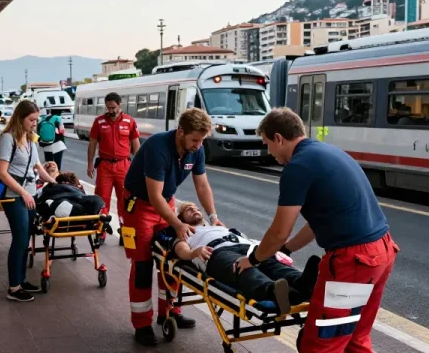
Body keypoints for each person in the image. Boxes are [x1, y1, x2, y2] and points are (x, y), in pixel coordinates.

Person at [233, 107, 400, 353]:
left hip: (353, 262)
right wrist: (286, 249)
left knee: (321, 345)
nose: (269, 152)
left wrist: (253, 259)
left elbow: (279, 231)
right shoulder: (329, 152)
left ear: (279, 138)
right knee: (355, 339)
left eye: (267, 144)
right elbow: (317, 222)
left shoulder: (297, 167)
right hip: (381, 253)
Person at [121, 107, 223, 347]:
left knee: (172, 259)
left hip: (165, 203)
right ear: (180, 132)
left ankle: (169, 311)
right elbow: (153, 195)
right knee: (143, 264)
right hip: (139, 206)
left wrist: (213, 216)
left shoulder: (196, 150)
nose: (199, 145)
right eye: (195, 140)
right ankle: (142, 324)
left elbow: (202, 185)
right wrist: (177, 223)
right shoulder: (158, 147)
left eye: (202, 140)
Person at [161, 202, 318, 315]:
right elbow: (180, 250)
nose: (194, 210)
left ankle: (301, 282)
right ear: (181, 219)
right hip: (216, 252)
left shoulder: (218, 226)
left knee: (271, 263)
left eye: (196, 208)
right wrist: (194, 253)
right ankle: (273, 291)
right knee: (241, 268)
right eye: (188, 210)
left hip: (245, 246)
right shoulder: (182, 232)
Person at [0, 100, 57, 303]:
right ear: (20, 118)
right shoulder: (7, 139)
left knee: (26, 239)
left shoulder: (29, 139)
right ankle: (14, 287)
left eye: (36, 120)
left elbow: (37, 167)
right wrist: (23, 193)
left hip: (30, 195)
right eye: (31, 119)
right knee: (20, 239)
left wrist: (54, 182)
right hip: (14, 196)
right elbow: (1, 172)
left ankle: (21, 280)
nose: (34, 123)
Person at [87, 92, 140, 245]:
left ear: (119, 105)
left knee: (125, 201)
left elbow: (136, 145)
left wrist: (139, 167)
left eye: (113, 107)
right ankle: (101, 232)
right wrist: (90, 164)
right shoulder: (99, 122)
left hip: (124, 165)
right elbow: (92, 144)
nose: (110, 110)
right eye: (108, 107)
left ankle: (125, 233)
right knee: (102, 200)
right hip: (105, 166)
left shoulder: (129, 121)